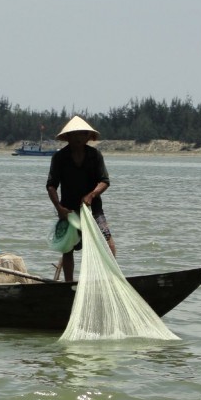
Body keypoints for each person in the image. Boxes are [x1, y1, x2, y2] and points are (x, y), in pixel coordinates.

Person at [46, 116, 116, 282]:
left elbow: (105, 181)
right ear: (68, 137)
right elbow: (51, 186)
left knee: (106, 241)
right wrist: (59, 208)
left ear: (87, 137)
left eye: (82, 134)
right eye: (74, 134)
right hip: (68, 210)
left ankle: (111, 278)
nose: (78, 138)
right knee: (68, 248)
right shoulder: (60, 158)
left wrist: (91, 195)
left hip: (93, 209)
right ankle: (68, 284)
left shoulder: (95, 155)